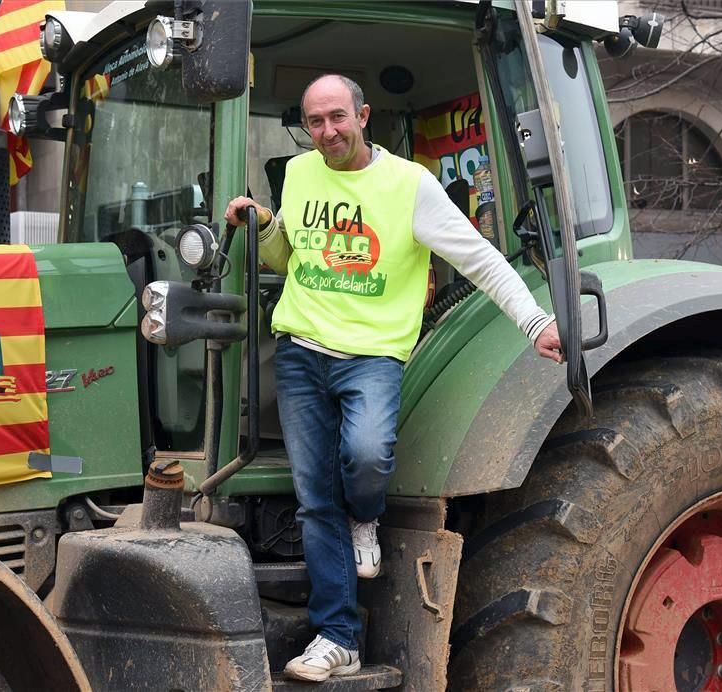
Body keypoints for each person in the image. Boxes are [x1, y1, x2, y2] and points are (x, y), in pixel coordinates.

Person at [224, 74, 562, 683]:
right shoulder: (300, 174)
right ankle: (338, 639)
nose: (327, 133)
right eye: (315, 122)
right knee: (313, 500)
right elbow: (289, 259)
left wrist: (535, 320)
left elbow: (478, 257)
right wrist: (265, 224)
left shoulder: (409, 185)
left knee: (367, 456)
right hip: (301, 351)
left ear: (363, 115)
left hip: (372, 356)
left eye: (337, 118)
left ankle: (366, 516)